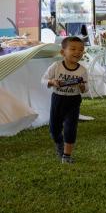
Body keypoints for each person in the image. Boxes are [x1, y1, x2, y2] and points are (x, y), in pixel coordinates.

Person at [41, 36, 88, 164]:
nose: (77, 52)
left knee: (70, 128)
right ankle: (59, 143)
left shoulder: (82, 70)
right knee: (54, 129)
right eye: (73, 49)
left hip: (73, 101)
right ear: (63, 52)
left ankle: (67, 155)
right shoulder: (56, 66)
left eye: (81, 49)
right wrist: (52, 81)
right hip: (58, 99)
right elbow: (43, 80)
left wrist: (82, 86)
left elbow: (85, 89)